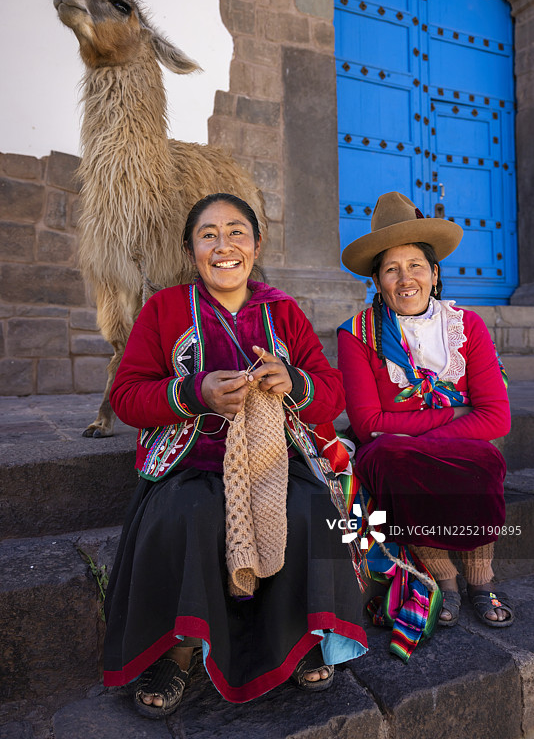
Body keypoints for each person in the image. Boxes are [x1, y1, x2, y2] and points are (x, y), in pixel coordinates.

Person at [103, 192, 367, 718]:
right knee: (189, 514)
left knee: (308, 510)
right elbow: (127, 395)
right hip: (191, 465)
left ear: (256, 243)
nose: (224, 245)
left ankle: (298, 638)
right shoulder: (165, 309)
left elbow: (332, 393)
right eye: (208, 234)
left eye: (237, 232)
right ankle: (177, 651)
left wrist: (293, 380)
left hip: (275, 461)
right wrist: (193, 392)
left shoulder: (282, 311)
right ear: (191, 249)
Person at [338, 191, 514, 630]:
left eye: (415, 265)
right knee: (394, 458)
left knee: (485, 457)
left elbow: (497, 418)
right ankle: (445, 577)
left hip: (424, 444)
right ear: (377, 281)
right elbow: (368, 425)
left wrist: (411, 432)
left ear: (434, 275)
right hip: (389, 454)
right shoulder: (357, 335)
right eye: (391, 269)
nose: (405, 278)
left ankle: (480, 578)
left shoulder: (466, 327)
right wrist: (455, 414)